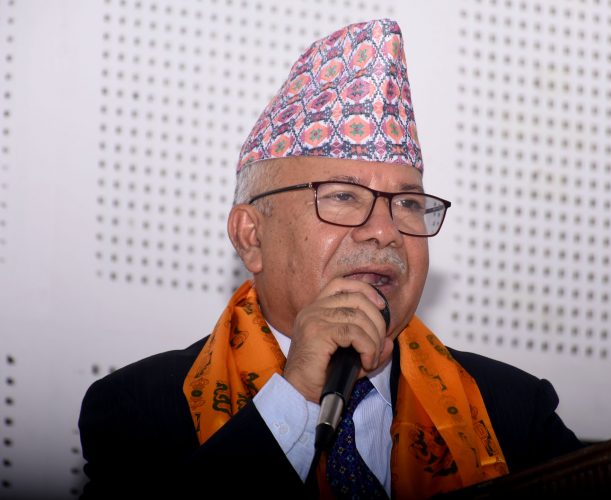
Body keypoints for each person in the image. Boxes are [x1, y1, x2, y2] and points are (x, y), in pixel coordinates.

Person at [78, 18, 583, 499]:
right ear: (251, 236)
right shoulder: (140, 407)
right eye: (343, 196)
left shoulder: (513, 413)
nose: (385, 232)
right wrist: (296, 395)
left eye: (408, 203)